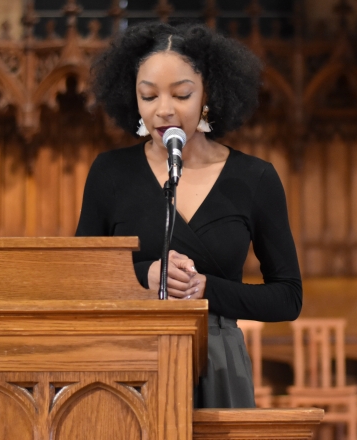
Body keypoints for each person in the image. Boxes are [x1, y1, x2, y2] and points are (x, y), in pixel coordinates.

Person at [75, 22, 303, 408]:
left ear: (207, 94)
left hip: (217, 361)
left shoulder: (255, 178)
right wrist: (142, 275)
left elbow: (287, 297)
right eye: (148, 97)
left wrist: (206, 290)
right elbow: (76, 275)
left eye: (181, 95)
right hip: (127, 357)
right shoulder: (109, 173)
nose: (163, 111)